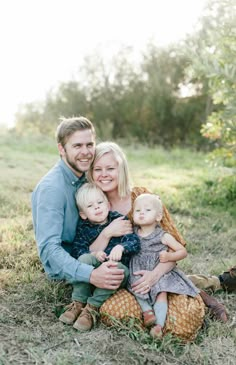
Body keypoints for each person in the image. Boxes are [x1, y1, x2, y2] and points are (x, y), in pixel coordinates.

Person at [87, 141, 228, 323]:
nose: (104, 174)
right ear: (91, 172)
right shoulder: (92, 204)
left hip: (157, 269)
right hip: (122, 277)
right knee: (115, 312)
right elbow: (86, 253)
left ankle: (210, 294)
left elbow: (173, 250)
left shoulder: (142, 197)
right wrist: (107, 232)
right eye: (97, 169)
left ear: (121, 169)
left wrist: (153, 276)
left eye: (110, 168)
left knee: (180, 315)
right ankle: (213, 283)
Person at [31, 117, 128, 324]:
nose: (85, 152)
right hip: (72, 267)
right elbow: (49, 249)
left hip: (97, 253)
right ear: (61, 149)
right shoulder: (53, 189)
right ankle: (84, 308)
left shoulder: (86, 177)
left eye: (89, 144)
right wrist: (90, 275)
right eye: (77, 146)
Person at [59, 182, 140, 331]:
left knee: (116, 269)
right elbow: (78, 250)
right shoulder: (83, 227)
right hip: (94, 269)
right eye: (90, 206)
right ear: (83, 214)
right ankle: (77, 303)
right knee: (83, 260)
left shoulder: (119, 220)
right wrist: (94, 254)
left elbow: (135, 242)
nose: (96, 207)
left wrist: (121, 247)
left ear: (108, 205)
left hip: (118, 269)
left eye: (100, 202)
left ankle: (91, 308)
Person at [127, 193, 200, 338]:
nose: (142, 213)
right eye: (138, 210)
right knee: (136, 285)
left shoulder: (163, 235)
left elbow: (182, 251)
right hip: (138, 269)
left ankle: (158, 326)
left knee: (161, 291)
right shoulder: (132, 233)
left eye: (147, 210)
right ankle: (147, 312)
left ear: (158, 216)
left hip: (157, 269)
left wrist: (169, 256)